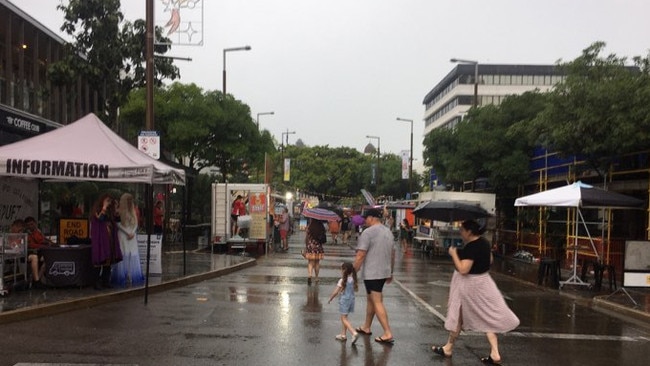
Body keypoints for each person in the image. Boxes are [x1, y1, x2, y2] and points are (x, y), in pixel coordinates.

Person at [431, 220, 519, 365]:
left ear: (469, 232)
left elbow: (464, 269)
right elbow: (489, 260)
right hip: (485, 282)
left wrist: (453, 254)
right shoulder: (484, 243)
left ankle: (449, 348)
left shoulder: (472, 247)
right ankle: (493, 352)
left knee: (459, 316)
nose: (461, 232)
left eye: (462, 230)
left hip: (470, 286)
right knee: (487, 317)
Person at [353, 208, 395, 344]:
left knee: (376, 301)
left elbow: (360, 255)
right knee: (371, 299)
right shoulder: (388, 232)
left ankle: (387, 332)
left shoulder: (368, 233)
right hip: (383, 271)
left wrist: (352, 272)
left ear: (371, 218)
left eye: (366, 218)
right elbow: (392, 253)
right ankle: (366, 326)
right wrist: (391, 271)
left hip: (372, 272)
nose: (364, 221)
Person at [90, 194, 123, 290]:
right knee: (100, 259)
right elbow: (99, 219)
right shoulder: (97, 210)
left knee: (108, 261)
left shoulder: (110, 211)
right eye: (107, 200)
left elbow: (117, 220)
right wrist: (104, 207)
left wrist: (116, 209)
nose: (109, 202)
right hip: (101, 238)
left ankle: (106, 281)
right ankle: (96, 282)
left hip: (109, 238)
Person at [111, 193, 145, 287]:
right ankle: (123, 275)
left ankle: (130, 274)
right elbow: (118, 224)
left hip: (131, 236)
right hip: (123, 235)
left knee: (132, 255)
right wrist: (128, 232)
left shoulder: (133, 211)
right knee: (123, 254)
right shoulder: (119, 211)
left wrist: (133, 232)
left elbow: (136, 223)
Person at [328, 261, 359, 345]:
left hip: (344, 300)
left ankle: (353, 332)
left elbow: (335, 292)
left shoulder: (342, 280)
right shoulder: (353, 279)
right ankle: (343, 335)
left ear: (344, 270)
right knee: (345, 317)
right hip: (351, 300)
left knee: (343, 318)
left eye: (341, 269)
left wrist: (330, 298)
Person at [24, 216, 53, 288]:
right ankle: (37, 282)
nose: (31, 226)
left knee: (47, 259)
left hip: (40, 252)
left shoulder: (38, 231)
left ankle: (37, 280)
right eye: (29, 225)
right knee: (35, 258)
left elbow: (42, 240)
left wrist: (49, 243)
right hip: (29, 254)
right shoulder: (26, 234)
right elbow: (31, 245)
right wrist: (44, 245)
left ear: (35, 223)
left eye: (32, 224)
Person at [303, 218, 326, 285]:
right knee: (317, 263)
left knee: (310, 262)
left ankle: (310, 275)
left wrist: (306, 245)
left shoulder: (310, 227)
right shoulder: (321, 227)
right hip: (318, 247)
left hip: (311, 246)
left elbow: (307, 237)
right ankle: (316, 277)